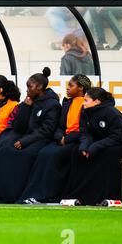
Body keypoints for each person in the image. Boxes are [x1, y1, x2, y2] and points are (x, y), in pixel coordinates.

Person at [18, 74, 92, 203]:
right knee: (43, 153)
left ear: (80, 88)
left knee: (52, 155)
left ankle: (47, 193)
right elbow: (59, 126)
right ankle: (34, 193)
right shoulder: (68, 102)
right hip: (62, 139)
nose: (67, 88)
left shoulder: (86, 105)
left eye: (71, 86)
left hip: (75, 141)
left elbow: (85, 130)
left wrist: (67, 140)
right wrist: (60, 137)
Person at [61, 87, 122, 205]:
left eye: (86, 100)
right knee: (76, 152)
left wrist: (95, 147)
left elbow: (117, 137)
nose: (83, 103)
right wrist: (84, 146)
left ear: (97, 101)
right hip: (103, 142)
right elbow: (85, 133)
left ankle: (106, 196)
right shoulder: (85, 112)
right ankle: (81, 195)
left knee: (107, 153)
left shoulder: (112, 113)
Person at [0, 67, 61, 203]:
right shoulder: (30, 100)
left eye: (30, 87)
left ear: (40, 87)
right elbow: (19, 126)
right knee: (5, 150)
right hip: (25, 137)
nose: (27, 90)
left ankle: (20, 194)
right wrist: (26, 107)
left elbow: (46, 130)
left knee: (22, 154)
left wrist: (25, 142)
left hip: (41, 140)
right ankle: (3, 193)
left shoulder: (52, 104)